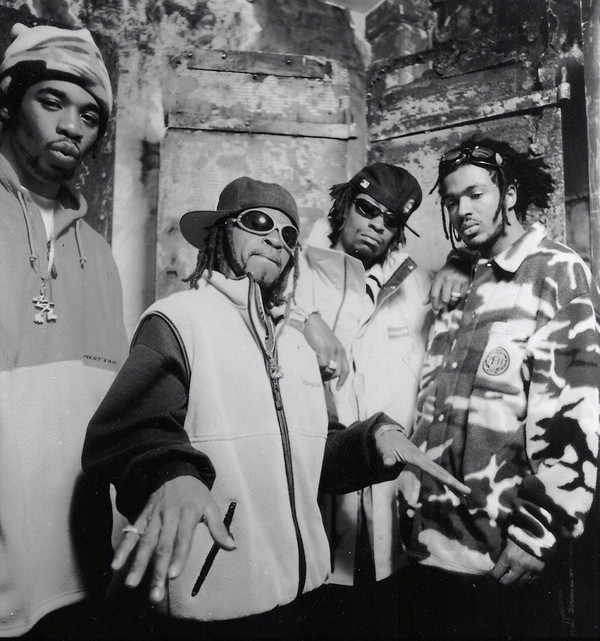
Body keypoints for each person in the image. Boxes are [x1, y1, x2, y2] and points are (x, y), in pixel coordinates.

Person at [82, 176, 469, 639]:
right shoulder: (178, 319)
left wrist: (373, 441)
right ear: (222, 230)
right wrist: (170, 473)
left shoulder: (296, 344)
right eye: (258, 223)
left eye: (287, 234)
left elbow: (317, 453)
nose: (275, 240)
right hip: (213, 601)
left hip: (299, 595)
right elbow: (125, 431)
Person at [397, 137, 600, 638]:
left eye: (475, 194)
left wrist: (537, 533)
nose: (462, 210)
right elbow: (430, 409)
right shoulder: (460, 279)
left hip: (502, 558)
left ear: (508, 194)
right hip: (426, 549)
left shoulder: (556, 270)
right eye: (451, 201)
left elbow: (574, 417)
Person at [290, 162, 469, 637]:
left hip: (394, 502)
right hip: (318, 495)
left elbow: (483, 280)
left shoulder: (418, 285)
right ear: (344, 205)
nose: (376, 225)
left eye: (390, 220)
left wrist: (460, 263)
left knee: (387, 617)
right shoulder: (293, 270)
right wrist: (302, 319)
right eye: (367, 210)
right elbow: (247, 306)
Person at [0, 23, 127, 638]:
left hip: (82, 568)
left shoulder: (97, 253)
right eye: (51, 102)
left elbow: (110, 408)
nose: (72, 125)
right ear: (8, 103)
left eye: (90, 115)